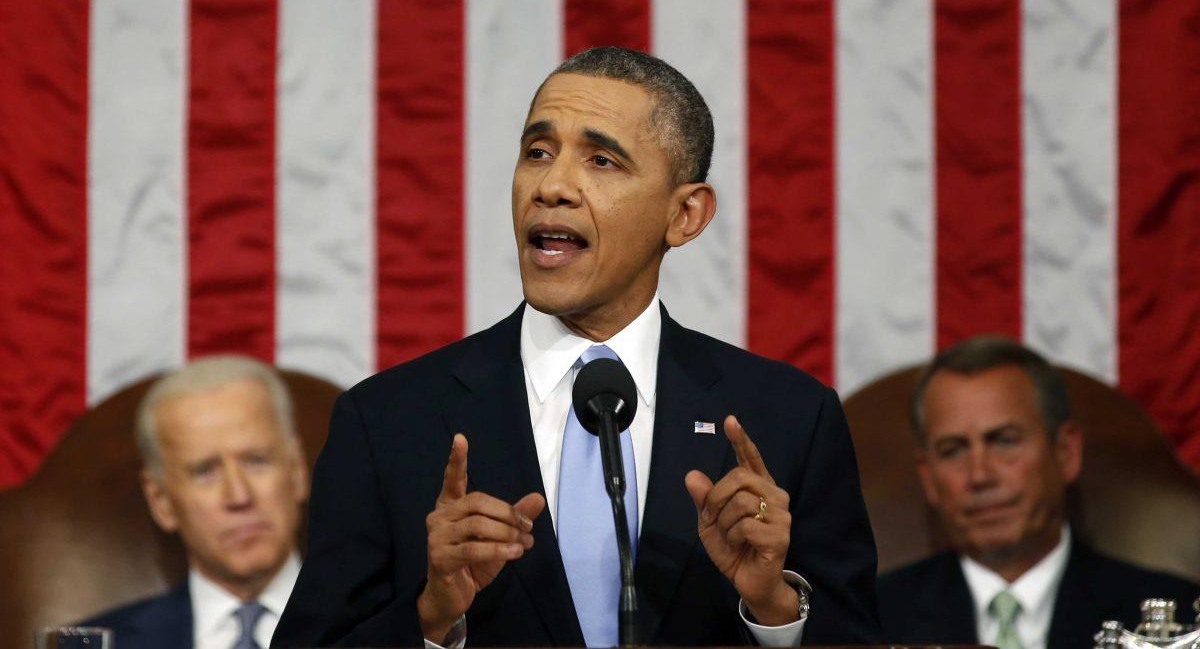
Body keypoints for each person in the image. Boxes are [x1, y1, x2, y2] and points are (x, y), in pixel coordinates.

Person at [273, 47, 879, 647]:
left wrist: (774, 609)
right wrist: (432, 618)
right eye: (537, 152)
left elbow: (856, 637)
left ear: (686, 214)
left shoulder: (791, 418)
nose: (552, 185)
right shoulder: (386, 421)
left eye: (602, 160)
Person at [877, 336, 1200, 649]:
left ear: (1065, 452)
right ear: (928, 478)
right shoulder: (869, 621)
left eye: (1005, 440)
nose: (979, 475)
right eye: (952, 450)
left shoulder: (1178, 620)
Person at [86, 356, 310, 649]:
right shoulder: (101, 644)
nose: (239, 496)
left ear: (296, 472)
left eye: (256, 461)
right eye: (205, 472)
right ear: (161, 501)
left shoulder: (381, 630)